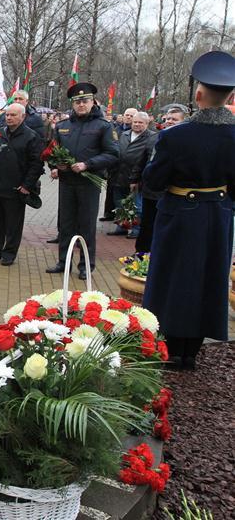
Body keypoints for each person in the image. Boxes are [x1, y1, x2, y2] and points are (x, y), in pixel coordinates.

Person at [143, 51, 235, 370]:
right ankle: (191, 353)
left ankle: (171, 348)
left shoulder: (174, 137)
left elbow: (153, 181)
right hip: (218, 216)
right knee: (209, 280)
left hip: (179, 216)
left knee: (173, 279)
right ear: (230, 96)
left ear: (198, 94)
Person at [45, 82, 119, 280]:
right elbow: (53, 151)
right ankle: (63, 262)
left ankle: (86, 264)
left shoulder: (103, 126)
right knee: (66, 224)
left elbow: (113, 154)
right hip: (67, 182)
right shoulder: (63, 126)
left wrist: (88, 164)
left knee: (86, 225)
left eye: (85, 101)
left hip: (89, 183)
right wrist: (54, 166)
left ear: (93, 101)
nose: (81, 105)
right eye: (77, 102)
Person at [0, 103, 44, 265]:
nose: (9, 117)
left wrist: (26, 186)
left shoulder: (31, 136)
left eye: (13, 115)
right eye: (7, 115)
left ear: (23, 117)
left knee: (13, 223)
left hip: (16, 188)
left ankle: (9, 253)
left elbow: (36, 165)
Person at [108, 110, 156, 237]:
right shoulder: (124, 134)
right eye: (135, 122)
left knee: (137, 206)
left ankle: (137, 229)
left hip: (137, 178)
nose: (137, 124)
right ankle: (121, 226)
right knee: (119, 203)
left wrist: (139, 178)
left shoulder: (151, 137)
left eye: (140, 122)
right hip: (119, 175)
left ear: (147, 123)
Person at [100, 107, 138, 222]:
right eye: (127, 115)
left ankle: (124, 219)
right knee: (111, 191)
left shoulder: (135, 132)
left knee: (124, 195)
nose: (128, 117)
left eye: (132, 116)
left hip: (128, 170)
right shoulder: (115, 129)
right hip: (114, 167)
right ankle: (110, 213)